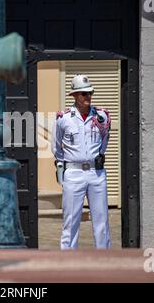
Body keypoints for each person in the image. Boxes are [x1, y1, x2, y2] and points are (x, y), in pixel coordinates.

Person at [53, 74, 112, 249]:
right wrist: (63, 167)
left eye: (89, 93)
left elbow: (105, 141)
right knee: (70, 221)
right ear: (75, 95)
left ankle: (104, 261)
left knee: (101, 221)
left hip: (96, 172)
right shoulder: (63, 118)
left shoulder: (102, 117)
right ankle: (67, 263)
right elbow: (56, 146)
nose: (88, 97)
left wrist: (99, 156)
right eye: (83, 94)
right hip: (74, 172)